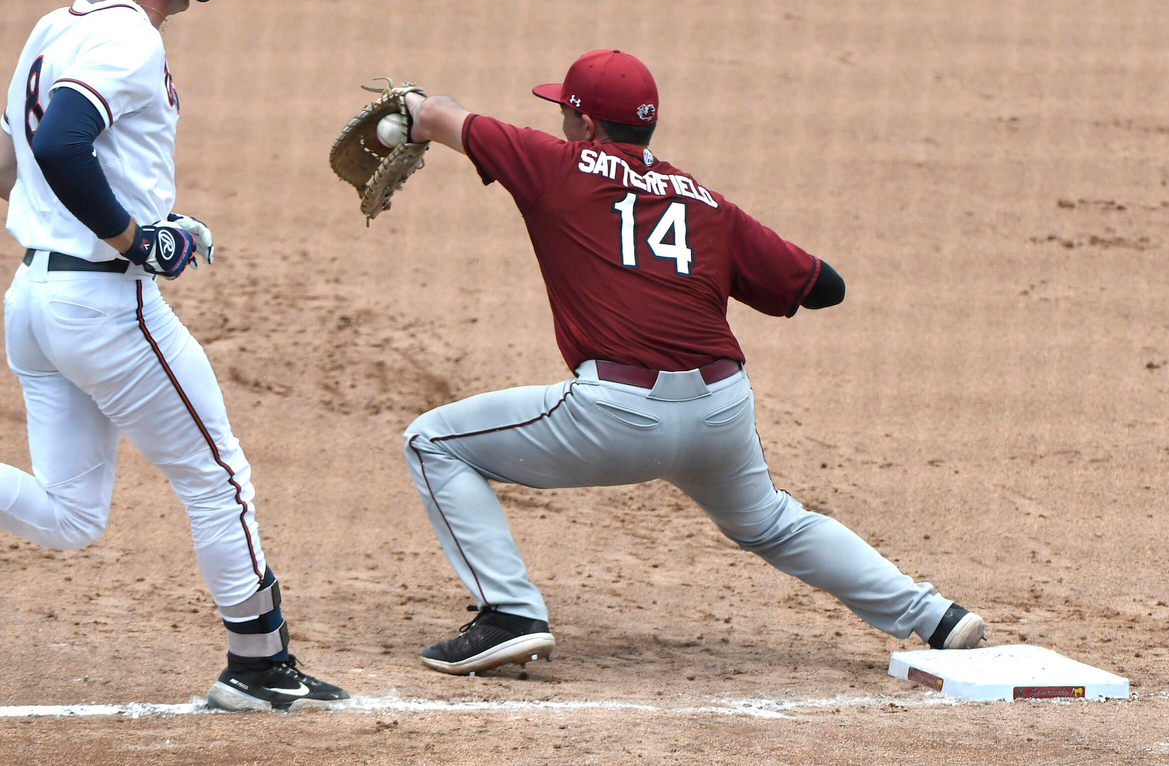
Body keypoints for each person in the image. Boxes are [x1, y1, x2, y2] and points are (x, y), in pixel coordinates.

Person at [399, 49, 987, 676]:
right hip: (720, 415)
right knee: (771, 522)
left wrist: (406, 112)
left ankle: (510, 615)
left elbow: (437, 114)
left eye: (564, 113)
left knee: (433, 440)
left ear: (586, 125)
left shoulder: (554, 163)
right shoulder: (708, 204)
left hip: (614, 418)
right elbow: (825, 286)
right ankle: (937, 618)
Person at [0, 0, 347, 711]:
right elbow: (59, 149)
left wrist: (147, 218)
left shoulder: (54, 27)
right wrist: (134, 238)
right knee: (217, 473)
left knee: (71, 515)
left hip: (33, 304)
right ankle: (259, 669)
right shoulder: (131, 40)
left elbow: (13, 158)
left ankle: (261, 667)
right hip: (103, 310)